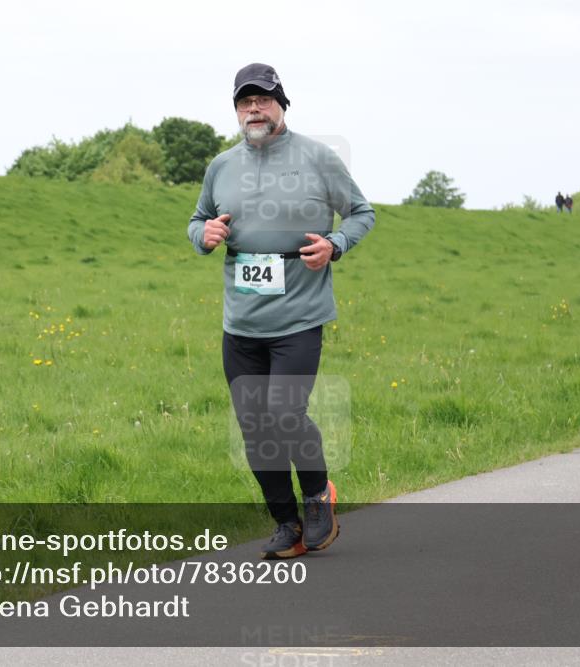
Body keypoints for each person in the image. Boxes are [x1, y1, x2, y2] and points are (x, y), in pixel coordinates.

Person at [187, 63, 375, 559]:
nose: (254, 108)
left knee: (286, 414)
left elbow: (362, 212)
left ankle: (317, 496)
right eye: (244, 101)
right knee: (254, 425)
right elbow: (198, 219)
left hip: (299, 315)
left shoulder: (317, 158)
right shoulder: (221, 166)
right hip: (241, 323)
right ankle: (286, 523)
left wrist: (335, 244)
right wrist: (202, 237)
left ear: (281, 105)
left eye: (263, 99)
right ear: (235, 110)